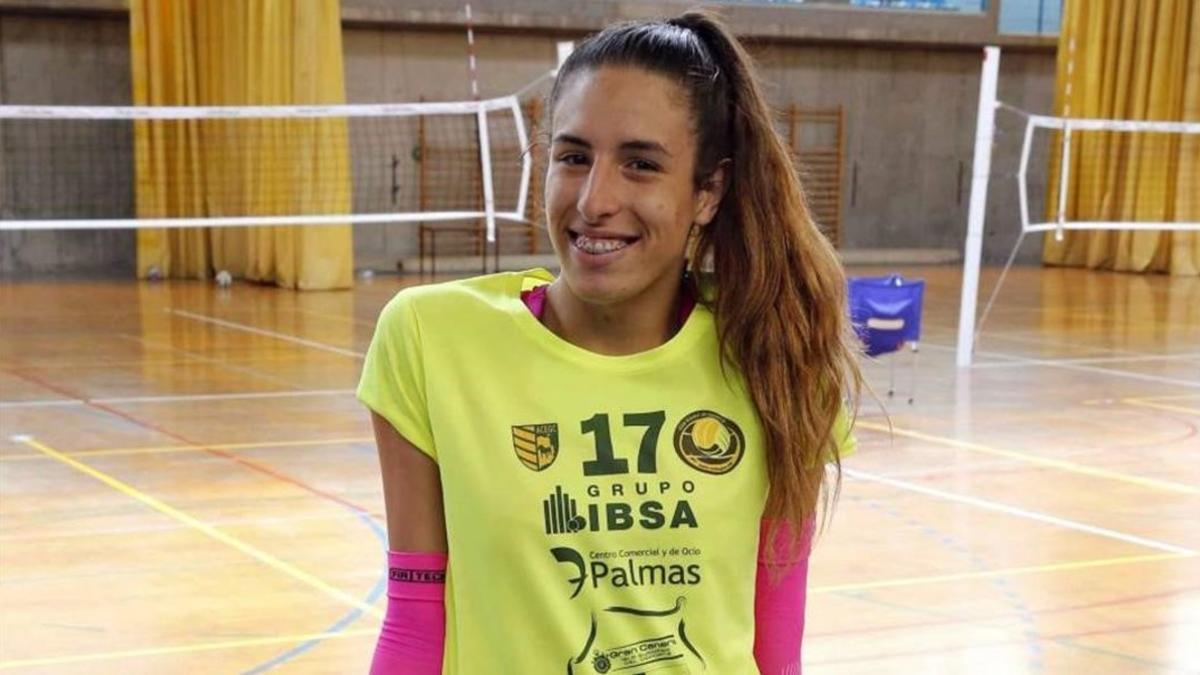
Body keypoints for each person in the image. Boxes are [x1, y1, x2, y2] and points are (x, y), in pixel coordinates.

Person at [358, 10, 861, 674]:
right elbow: (416, 616)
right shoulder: (430, 339)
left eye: (641, 165)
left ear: (708, 191)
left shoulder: (774, 351)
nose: (595, 199)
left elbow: (776, 637)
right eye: (573, 157)